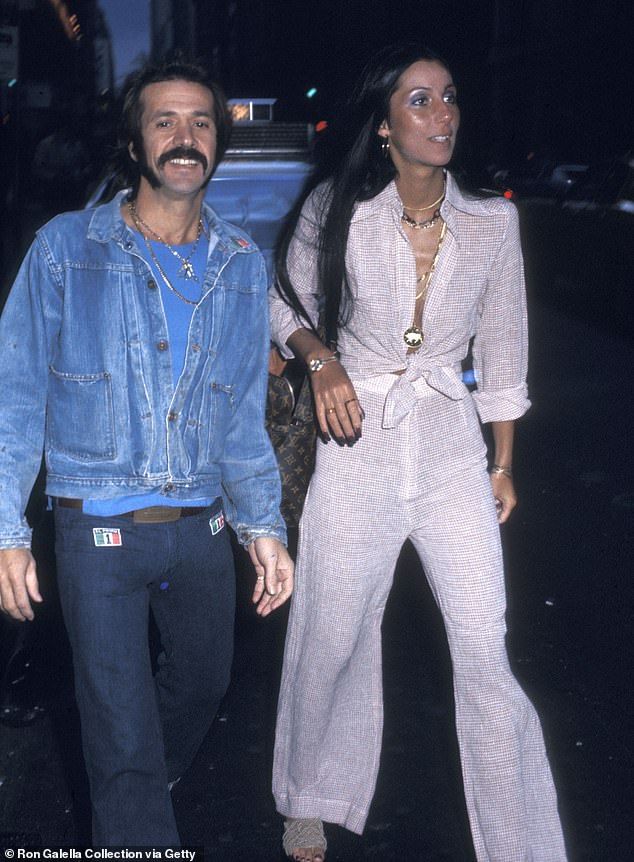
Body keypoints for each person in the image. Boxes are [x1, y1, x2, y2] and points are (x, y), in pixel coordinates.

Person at [269, 44, 567, 862]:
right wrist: (322, 360)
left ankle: (520, 844)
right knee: (332, 628)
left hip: (446, 447)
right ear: (386, 125)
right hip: (356, 439)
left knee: (481, 639)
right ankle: (307, 795)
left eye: (449, 99)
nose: (443, 116)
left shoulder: (492, 220)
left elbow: (505, 342)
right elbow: (282, 301)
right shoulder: (339, 209)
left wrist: (502, 461)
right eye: (421, 102)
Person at [0, 57, 293, 846]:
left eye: (200, 121)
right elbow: (16, 395)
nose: (184, 136)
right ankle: (131, 808)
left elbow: (240, 417)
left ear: (218, 144)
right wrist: (6, 532)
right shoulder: (66, 248)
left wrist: (264, 526)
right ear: (135, 142)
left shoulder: (239, 262)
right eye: (164, 120)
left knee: (202, 688)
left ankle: (126, 788)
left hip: (200, 528)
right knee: (125, 753)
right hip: (96, 530)